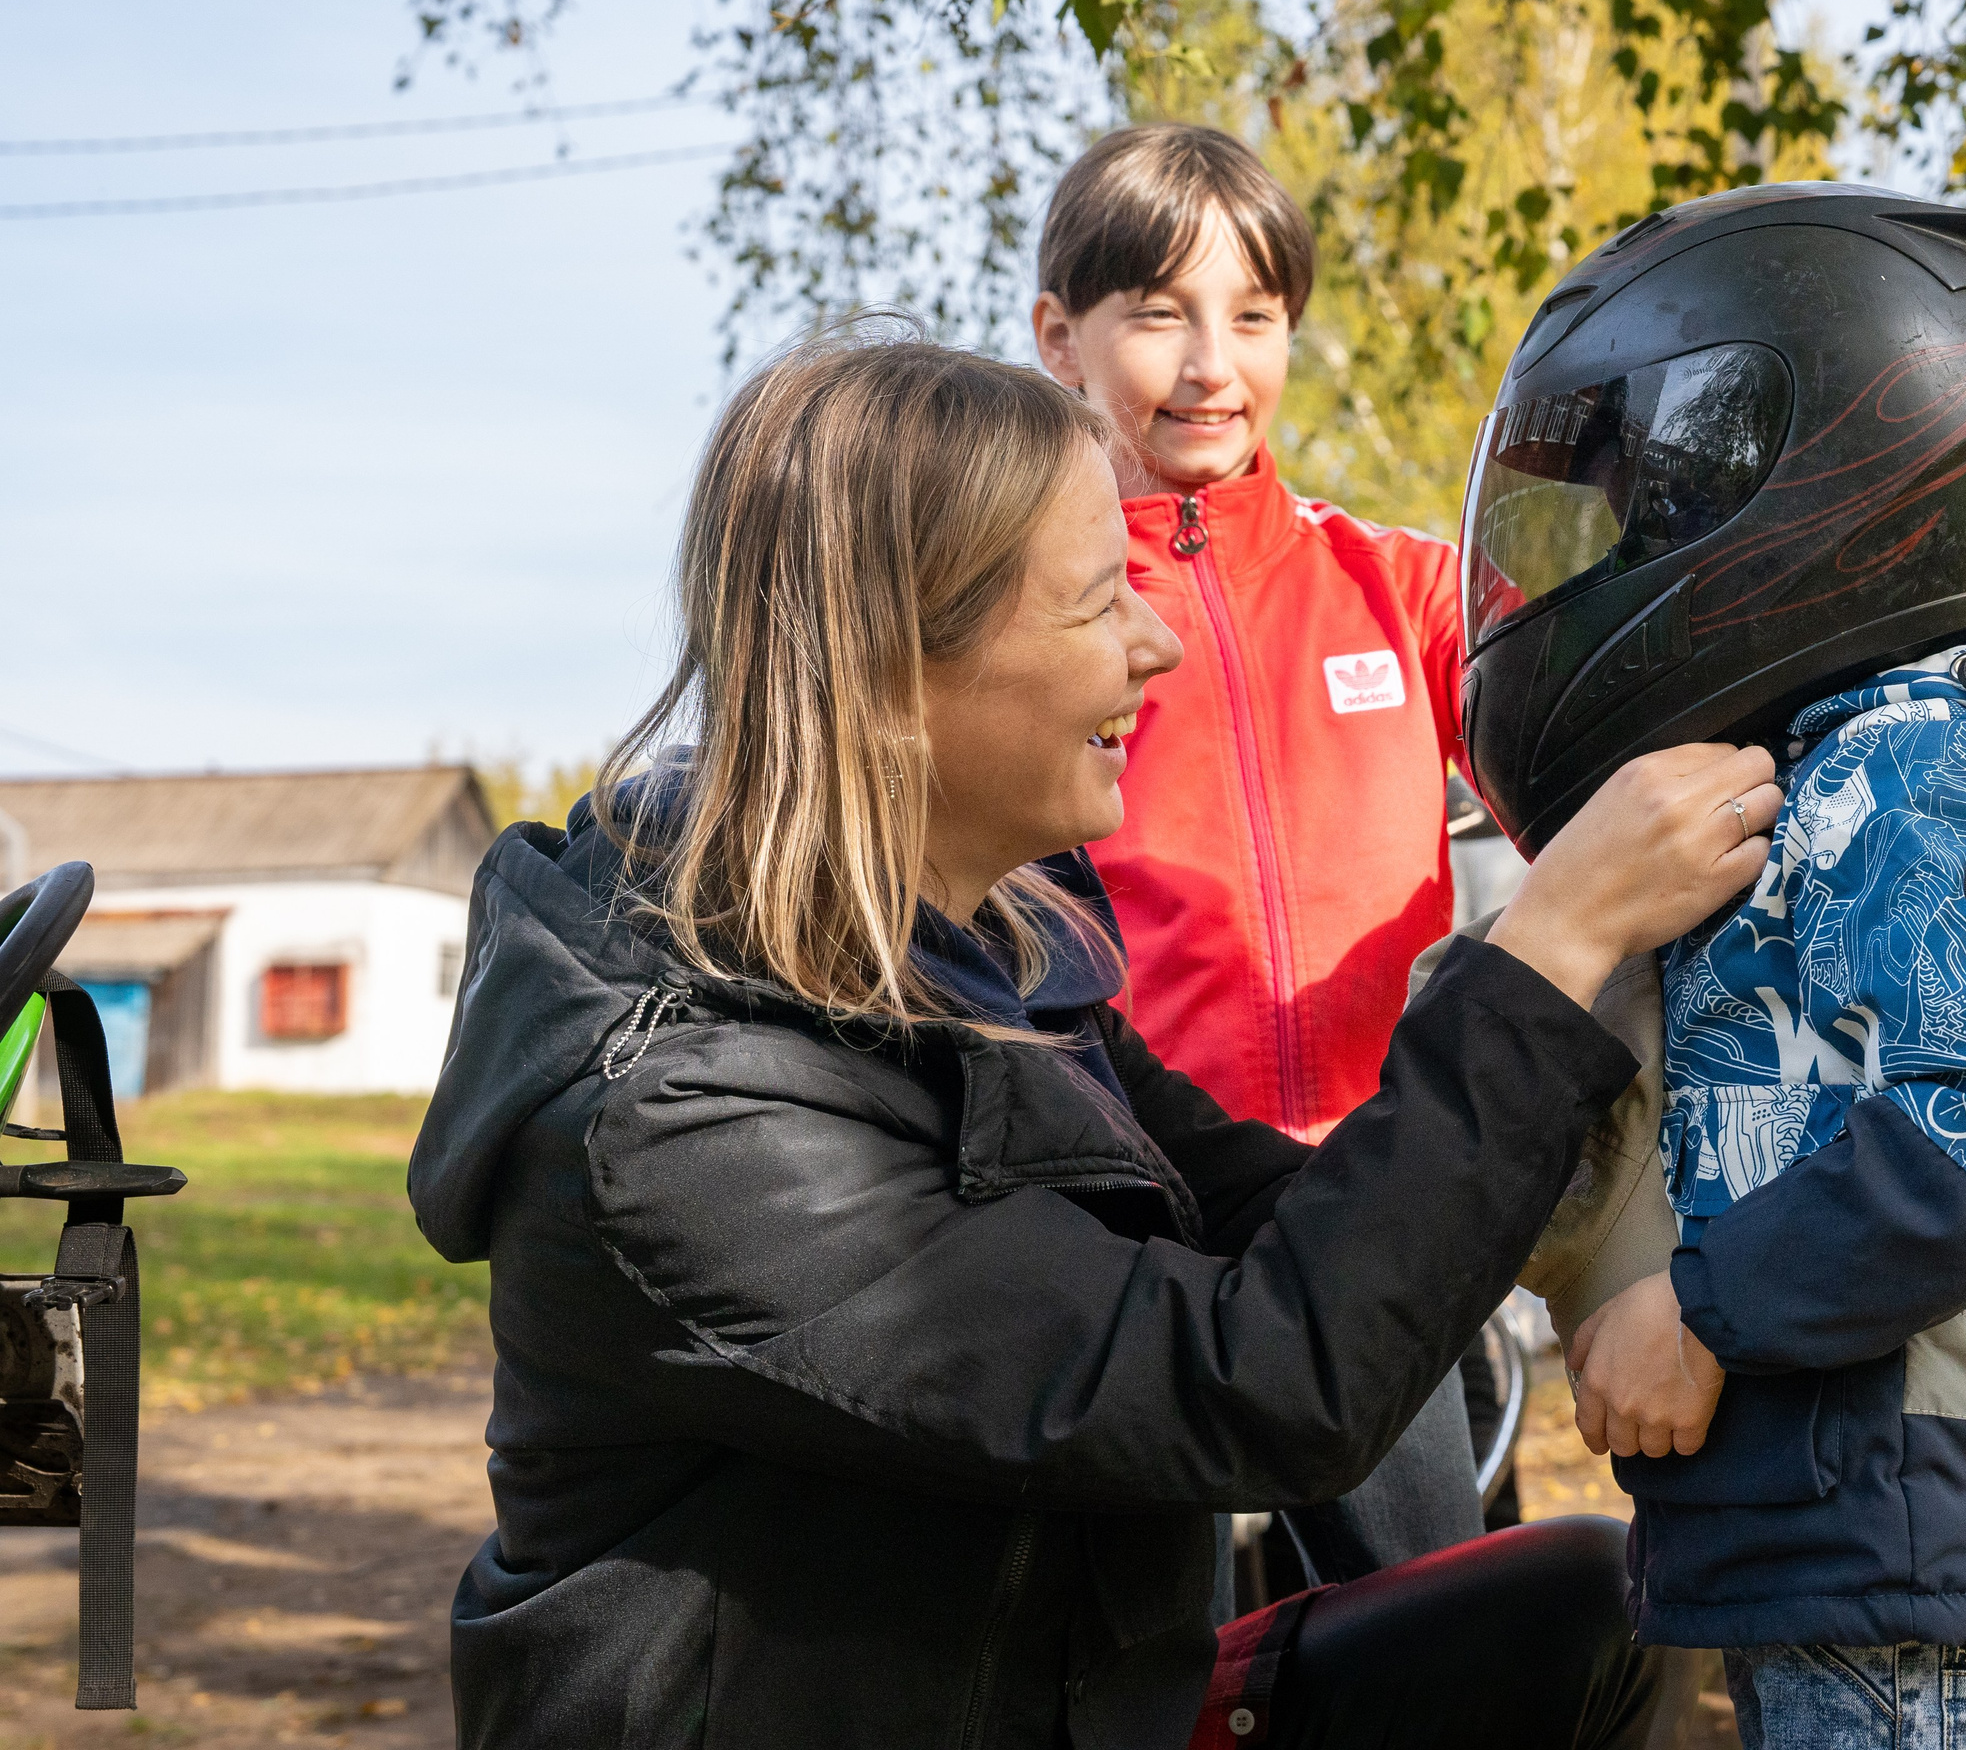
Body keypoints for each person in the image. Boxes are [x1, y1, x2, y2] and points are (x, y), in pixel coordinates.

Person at [407, 326, 1785, 1747]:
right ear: (893, 665)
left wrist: (1641, 1261)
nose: (1160, 639)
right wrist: (1551, 947)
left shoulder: (996, 959)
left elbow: (1298, 1230)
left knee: (1571, 1613)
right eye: (1095, 602)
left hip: (1068, 1706)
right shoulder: (688, 1130)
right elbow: (1263, 1383)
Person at [1450, 183, 1966, 1750]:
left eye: (1644, 509)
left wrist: (1705, 1317)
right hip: (1827, 1490)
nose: (1618, 550)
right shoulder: (1817, 764)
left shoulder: (1914, 760)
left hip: (1888, 1505)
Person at [1030, 123, 1486, 1583]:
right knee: (1141, 1646)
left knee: (1418, 1633)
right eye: (1158, 312)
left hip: (1378, 1207)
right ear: (1061, 336)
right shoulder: (1020, 616)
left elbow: (1587, 743)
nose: (1212, 362)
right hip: (1127, 1218)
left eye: (1254, 316)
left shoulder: (1398, 586)